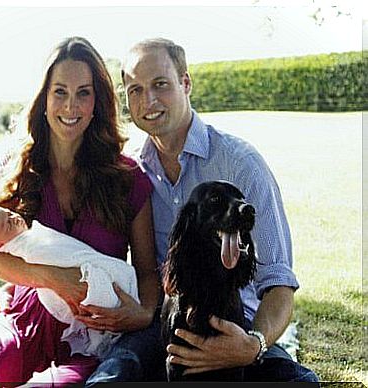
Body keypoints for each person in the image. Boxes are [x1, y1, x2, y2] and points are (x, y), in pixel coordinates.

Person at [0, 36, 160, 386]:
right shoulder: (22, 166)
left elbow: (147, 271)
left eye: (84, 93)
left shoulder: (128, 177)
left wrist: (141, 314)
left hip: (92, 336)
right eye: (60, 91)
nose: (71, 106)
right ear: (44, 97)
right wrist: (52, 278)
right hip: (24, 318)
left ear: (98, 102)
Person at [115, 38, 319, 382]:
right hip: (167, 327)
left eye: (160, 84)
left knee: (302, 383)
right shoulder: (133, 173)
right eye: (135, 89)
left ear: (186, 83)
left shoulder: (241, 165)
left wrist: (252, 345)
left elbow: (279, 282)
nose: (147, 100)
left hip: (237, 327)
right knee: (108, 379)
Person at [0, 205, 140, 358]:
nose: (13, 218)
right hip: (24, 313)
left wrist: (143, 314)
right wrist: (49, 277)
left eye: (10, 214)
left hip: (84, 319)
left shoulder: (123, 181)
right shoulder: (23, 182)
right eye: (6, 224)